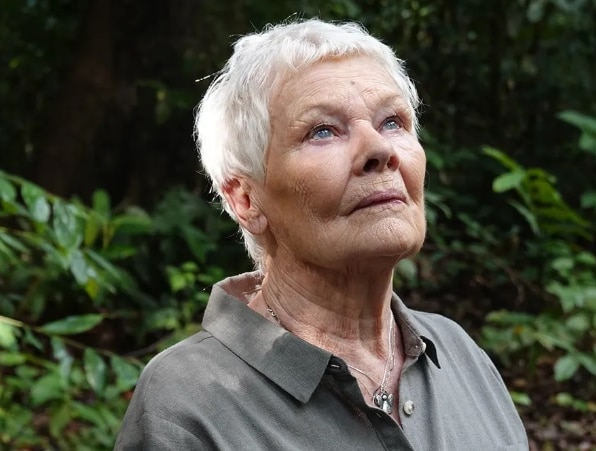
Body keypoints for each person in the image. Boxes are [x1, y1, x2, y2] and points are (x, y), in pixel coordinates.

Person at [114, 18, 528, 450]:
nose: (380, 151)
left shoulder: (459, 354)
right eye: (323, 131)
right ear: (245, 199)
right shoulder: (186, 405)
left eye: (392, 122)